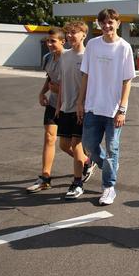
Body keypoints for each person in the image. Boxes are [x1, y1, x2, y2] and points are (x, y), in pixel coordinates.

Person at [77, 9, 136, 206]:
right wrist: (80, 102)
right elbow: (85, 75)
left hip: (113, 110)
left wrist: (122, 109)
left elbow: (127, 80)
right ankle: (108, 166)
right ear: (99, 24)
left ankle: (109, 187)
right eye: (103, 23)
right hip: (93, 107)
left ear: (118, 23)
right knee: (88, 145)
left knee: (112, 150)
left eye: (111, 22)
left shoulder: (124, 48)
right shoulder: (92, 45)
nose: (107, 26)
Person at [26, 27, 69, 193]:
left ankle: (87, 161)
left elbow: (79, 83)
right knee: (49, 138)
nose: (49, 44)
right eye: (47, 41)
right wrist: (42, 92)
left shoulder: (70, 58)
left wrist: (61, 91)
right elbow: (50, 77)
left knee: (67, 146)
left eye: (53, 41)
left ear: (62, 42)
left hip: (68, 105)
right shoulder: (47, 58)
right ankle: (45, 178)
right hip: (52, 104)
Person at [55, 21, 92, 199]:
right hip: (65, 107)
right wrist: (58, 105)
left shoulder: (88, 56)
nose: (69, 36)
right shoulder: (64, 56)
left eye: (73, 33)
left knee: (76, 145)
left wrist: (83, 105)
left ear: (84, 34)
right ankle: (87, 161)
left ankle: (77, 183)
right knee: (63, 145)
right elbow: (62, 82)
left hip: (81, 109)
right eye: (67, 33)